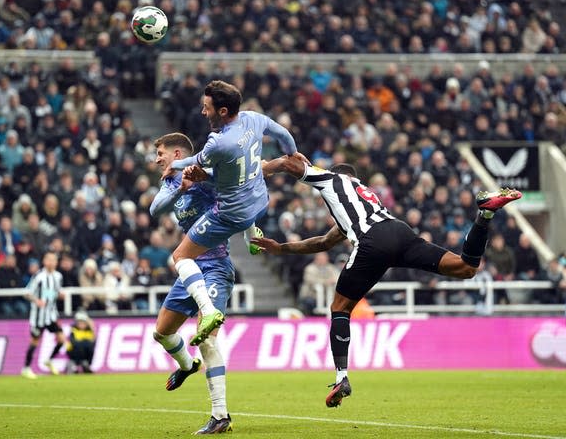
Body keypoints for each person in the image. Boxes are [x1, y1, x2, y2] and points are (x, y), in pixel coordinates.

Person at [252, 154, 521, 408]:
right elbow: (323, 241)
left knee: (340, 307)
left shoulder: (333, 180)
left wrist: (261, 169)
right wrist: (282, 248)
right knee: (465, 267)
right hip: (399, 232)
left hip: (373, 240)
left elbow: (291, 162)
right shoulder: (364, 198)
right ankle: (485, 215)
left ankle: (341, 377)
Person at [166, 80, 302, 346]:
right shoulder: (253, 118)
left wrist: (176, 164)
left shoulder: (219, 142)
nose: (203, 112)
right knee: (250, 170)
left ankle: (208, 312)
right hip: (260, 200)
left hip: (232, 214)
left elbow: (196, 164)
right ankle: (252, 235)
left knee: (180, 256)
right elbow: (283, 133)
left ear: (223, 111)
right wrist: (293, 154)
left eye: (207, 108)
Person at [150, 133, 234, 435]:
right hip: (189, 269)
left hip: (215, 267)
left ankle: (220, 414)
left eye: (160, 153)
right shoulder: (170, 183)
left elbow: (226, 181)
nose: (157, 158)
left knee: (208, 338)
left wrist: (198, 178)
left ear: (176, 153)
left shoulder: (203, 174)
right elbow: (155, 209)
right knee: (162, 333)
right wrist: (179, 188)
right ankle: (187, 366)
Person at [21, 251, 65, 379]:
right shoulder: (39, 276)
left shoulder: (58, 276)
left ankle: (49, 360)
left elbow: (54, 292)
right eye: (49, 260)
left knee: (61, 339)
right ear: (44, 262)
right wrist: (36, 301)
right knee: (35, 341)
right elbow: (27, 293)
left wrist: (60, 295)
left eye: (54, 260)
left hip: (52, 315)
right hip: (38, 316)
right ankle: (26, 368)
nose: (51, 262)